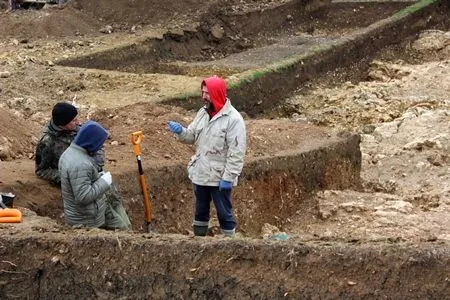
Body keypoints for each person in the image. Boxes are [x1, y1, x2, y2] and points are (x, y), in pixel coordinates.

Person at [167, 76, 246, 237]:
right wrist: (181, 132)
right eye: (203, 92)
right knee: (200, 211)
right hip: (201, 173)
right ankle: (199, 241)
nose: (204, 96)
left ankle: (230, 243)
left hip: (219, 176)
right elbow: (192, 136)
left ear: (217, 93)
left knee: (224, 213)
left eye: (207, 93)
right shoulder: (203, 113)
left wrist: (229, 177)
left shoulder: (233, 120)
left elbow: (236, 151)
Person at [35, 102, 130, 229]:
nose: (78, 122)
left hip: (99, 184)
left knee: (124, 223)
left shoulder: (77, 128)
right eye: (73, 120)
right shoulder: (47, 142)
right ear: (63, 124)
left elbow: (97, 143)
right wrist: (66, 176)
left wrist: (97, 162)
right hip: (83, 187)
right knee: (119, 228)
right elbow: (41, 170)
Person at [59, 121, 130, 229]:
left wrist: (97, 176)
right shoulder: (80, 163)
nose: (101, 146)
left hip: (88, 212)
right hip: (87, 219)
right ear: (91, 141)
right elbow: (83, 196)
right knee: (122, 231)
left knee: (123, 226)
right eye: (100, 142)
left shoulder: (71, 152)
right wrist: (104, 182)